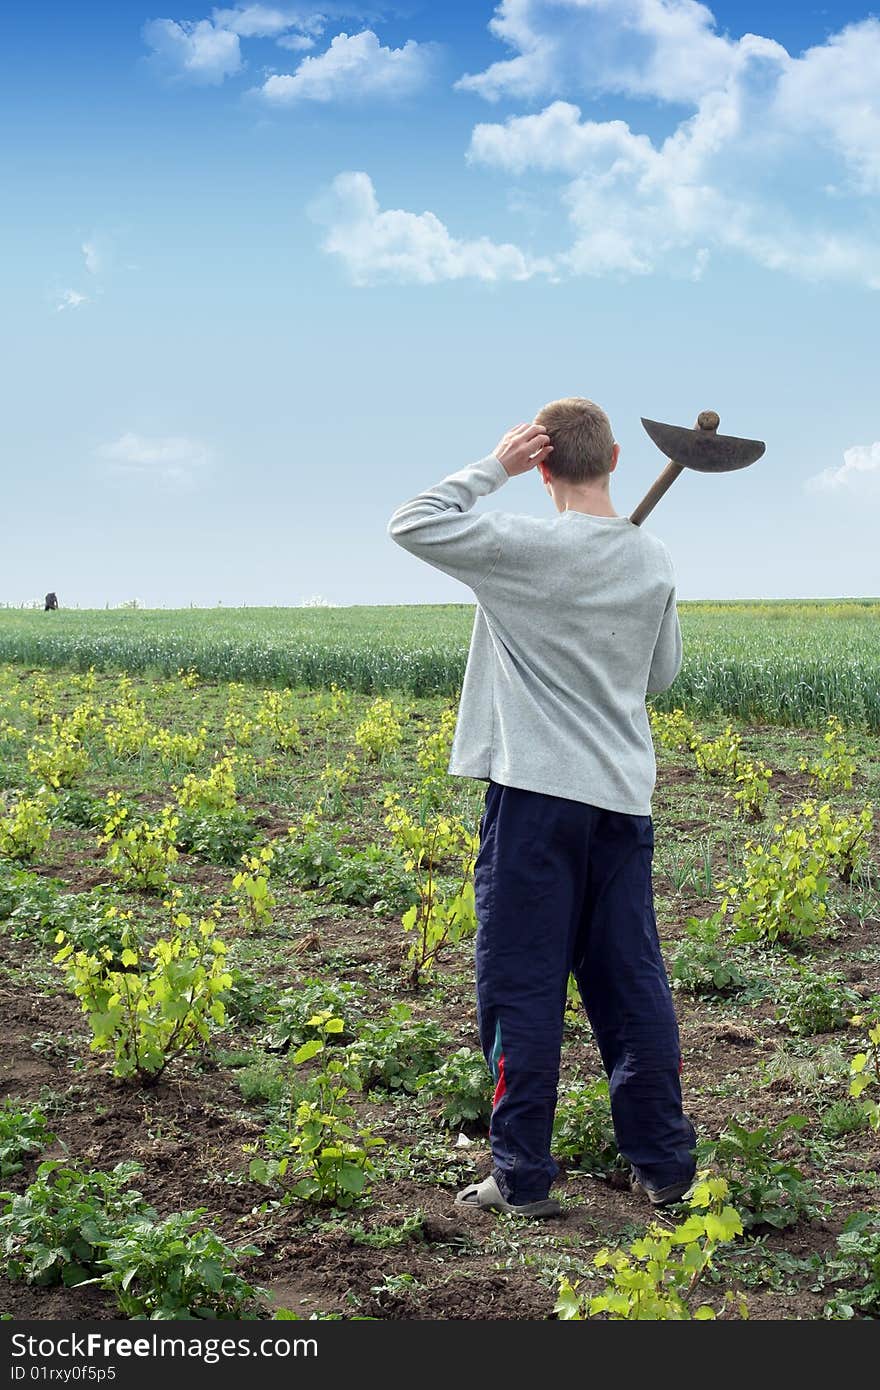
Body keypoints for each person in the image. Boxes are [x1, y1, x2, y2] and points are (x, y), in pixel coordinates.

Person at [386, 397, 697, 1219]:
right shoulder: (652, 557)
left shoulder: (517, 547)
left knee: (522, 988)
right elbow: (657, 680)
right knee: (631, 984)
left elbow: (412, 523)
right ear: (617, 460)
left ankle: (522, 1176)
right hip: (622, 805)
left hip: (533, 804)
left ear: (543, 463)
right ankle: (664, 1167)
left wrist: (494, 467)